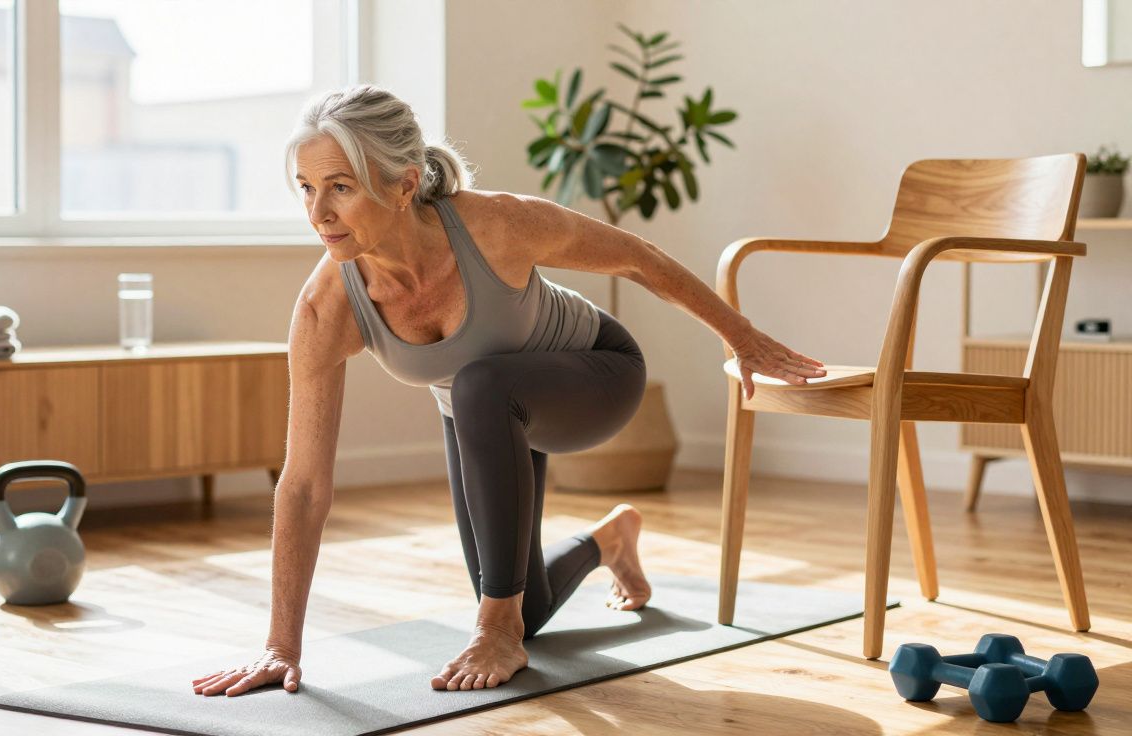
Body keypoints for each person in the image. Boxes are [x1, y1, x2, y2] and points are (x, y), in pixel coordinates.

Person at [192, 84, 825, 697]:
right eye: (305, 187)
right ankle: (610, 541)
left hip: (593, 374)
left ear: (405, 182)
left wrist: (743, 339)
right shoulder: (327, 309)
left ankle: (496, 626)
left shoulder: (494, 226)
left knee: (480, 394)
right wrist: (281, 647)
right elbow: (302, 485)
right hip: (485, 415)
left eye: (340, 188)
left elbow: (638, 259)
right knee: (527, 603)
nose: (317, 213)